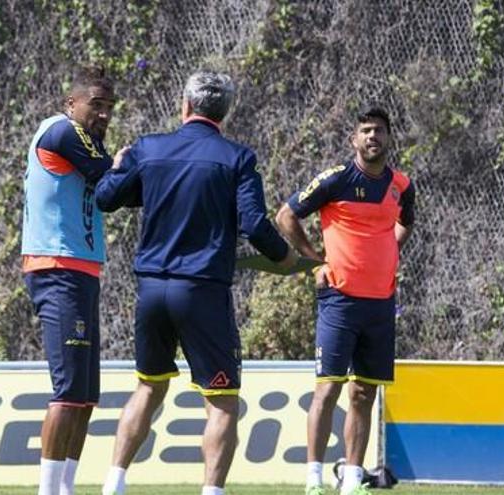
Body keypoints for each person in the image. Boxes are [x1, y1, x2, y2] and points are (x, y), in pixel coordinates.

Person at [95, 70, 297, 495]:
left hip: (151, 289)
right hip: (201, 290)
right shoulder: (236, 157)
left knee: (148, 387)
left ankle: (112, 485)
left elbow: (107, 198)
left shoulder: (149, 149)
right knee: (222, 401)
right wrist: (285, 257)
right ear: (225, 112)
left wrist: (117, 168)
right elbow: (254, 224)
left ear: (184, 105)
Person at [275, 107, 415, 495]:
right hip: (338, 300)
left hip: (380, 303)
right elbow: (286, 216)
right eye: (366, 131)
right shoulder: (335, 180)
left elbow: (406, 221)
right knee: (328, 388)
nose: (373, 137)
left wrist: (389, 252)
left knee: (364, 392)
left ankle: (352, 479)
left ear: (389, 139)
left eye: (380, 131)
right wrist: (314, 263)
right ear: (354, 139)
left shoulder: (401, 185)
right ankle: (314, 480)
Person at [21, 65, 119, 495]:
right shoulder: (60, 131)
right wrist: (124, 164)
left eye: (109, 108)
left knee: (84, 396)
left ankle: (66, 487)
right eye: (95, 105)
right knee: (66, 392)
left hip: (82, 271)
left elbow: (116, 192)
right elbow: (110, 177)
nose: (104, 115)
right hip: (57, 268)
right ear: (71, 103)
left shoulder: (90, 149)